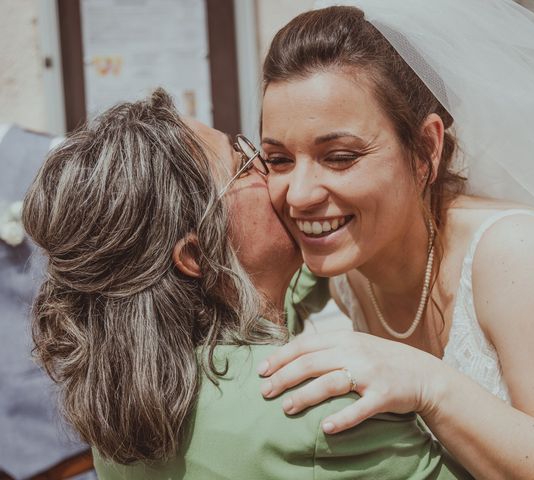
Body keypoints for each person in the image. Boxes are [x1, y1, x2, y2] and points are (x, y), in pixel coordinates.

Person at [257, 1, 534, 478]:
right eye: (278, 160)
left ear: (426, 149)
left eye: (338, 157)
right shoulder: (350, 272)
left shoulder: (521, 256)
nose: (299, 194)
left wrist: (428, 384)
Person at [22, 89, 470, 479]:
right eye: (244, 164)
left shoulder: (120, 403)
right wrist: (432, 384)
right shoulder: (316, 408)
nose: (272, 175)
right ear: (196, 256)